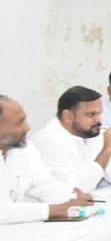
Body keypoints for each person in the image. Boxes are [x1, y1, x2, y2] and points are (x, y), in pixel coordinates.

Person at [32, 86, 111, 192]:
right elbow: (75, 189)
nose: (98, 120)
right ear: (68, 116)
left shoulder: (91, 132)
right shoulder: (49, 140)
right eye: (91, 115)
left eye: (99, 113)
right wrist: (107, 149)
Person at [1, 95, 93, 224]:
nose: (27, 127)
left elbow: (44, 184)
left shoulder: (24, 147)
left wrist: (72, 195)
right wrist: (53, 210)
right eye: (19, 123)